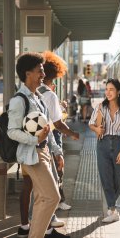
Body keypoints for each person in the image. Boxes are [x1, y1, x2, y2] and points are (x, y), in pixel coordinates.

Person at [7, 52, 69, 238]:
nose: (43, 75)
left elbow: (47, 128)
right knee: (53, 197)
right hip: (31, 155)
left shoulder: (39, 98)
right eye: (39, 71)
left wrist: (57, 152)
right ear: (28, 73)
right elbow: (12, 131)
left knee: (43, 198)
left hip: (45, 153)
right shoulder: (19, 100)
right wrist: (35, 140)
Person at [88, 78, 120, 223]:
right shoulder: (101, 107)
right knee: (106, 179)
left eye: (111, 89)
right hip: (103, 144)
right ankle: (112, 209)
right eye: (106, 89)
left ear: (119, 91)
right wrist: (96, 128)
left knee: (119, 180)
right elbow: (91, 123)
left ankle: (112, 207)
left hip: (119, 143)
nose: (108, 92)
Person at [39, 50, 79, 210]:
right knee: (57, 167)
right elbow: (58, 123)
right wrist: (73, 134)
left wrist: (59, 106)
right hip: (52, 135)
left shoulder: (36, 90)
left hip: (39, 137)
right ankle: (58, 202)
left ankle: (55, 203)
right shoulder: (49, 94)